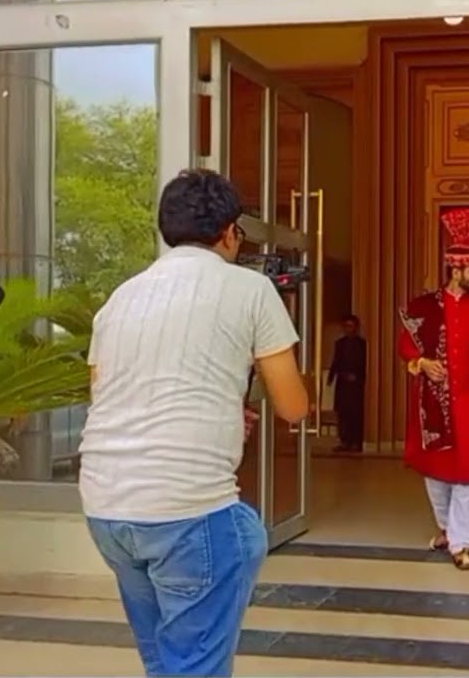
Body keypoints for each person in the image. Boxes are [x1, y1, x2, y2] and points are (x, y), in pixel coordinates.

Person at [79, 169, 309, 677]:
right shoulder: (251, 289)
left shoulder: (121, 297)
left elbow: (106, 396)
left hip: (106, 506)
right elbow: (293, 406)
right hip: (184, 509)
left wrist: (220, 410)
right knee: (197, 662)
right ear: (229, 232)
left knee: (164, 660)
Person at [397, 208, 469, 570]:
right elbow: (407, 345)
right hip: (433, 401)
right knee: (436, 471)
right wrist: (422, 363)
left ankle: (461, 542)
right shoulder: (424, 306)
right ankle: (448, 530)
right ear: (455, 268)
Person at [326, 314, 366, 452]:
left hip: (357, 385)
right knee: (342, 413)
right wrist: (331, 378)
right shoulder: (340, 343)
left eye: (351, 326)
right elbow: (336, 361)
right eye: (346, 326)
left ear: (356, 327)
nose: (348, 329)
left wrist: (358, 377)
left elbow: (364, 364)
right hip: (342, 383)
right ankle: (344, 441)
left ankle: (355, 442)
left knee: (355, 414)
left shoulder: (362, 344)